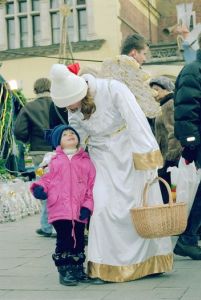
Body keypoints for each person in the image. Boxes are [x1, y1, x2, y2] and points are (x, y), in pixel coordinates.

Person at [49, 63, 173, 283]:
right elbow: (77, 135)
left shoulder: (113, 88)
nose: (71, 107)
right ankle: (105, 265)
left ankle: (148, 261)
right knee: (102, 207)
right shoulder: (73, 108)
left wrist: (146, 155)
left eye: (72, 102)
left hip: (127, 151)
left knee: (138, 206)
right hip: (100, 157)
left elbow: (135, 118)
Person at [30, 125, 96, 286]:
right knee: (65, 239)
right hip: (59, 207)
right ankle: (64, 271)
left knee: (79, 240)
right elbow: (45, 179)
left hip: (79, 209)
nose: (70, 135)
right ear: (57, 141)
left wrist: (87, 206)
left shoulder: (86, 161)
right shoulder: (52, 160)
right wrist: (39, 189)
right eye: (65, 134)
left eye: (72, 133)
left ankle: (77, 268)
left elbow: (90, 186)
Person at [14, 78, 68, 238]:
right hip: (60, 150)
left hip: (38, 152)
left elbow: (19, 131)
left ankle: (47, 225)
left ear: (35, 90)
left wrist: (29, 139)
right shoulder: (59, 104)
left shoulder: (29, 107)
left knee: (45, 188)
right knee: (60, 187)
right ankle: (55, 224)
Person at [174, 32, 201, 260]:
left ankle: (190, 236)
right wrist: (190, 142)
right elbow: (185, 109)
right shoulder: (193, 69)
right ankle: (188, 238)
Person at [149, 76, 182, 203]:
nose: (154, 93)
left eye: (157, 89)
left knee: (170, 192)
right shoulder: (162, 106)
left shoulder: (169, 105)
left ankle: (172, 217)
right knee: (168, 191)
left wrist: (171, 157)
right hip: (164, 157)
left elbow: (173, 132)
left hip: (169, 159)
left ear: (166, 90)